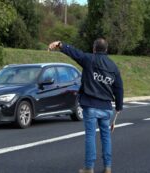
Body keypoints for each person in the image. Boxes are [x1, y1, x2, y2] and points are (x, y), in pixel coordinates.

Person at [48, 38, 124, 173]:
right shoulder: (113, 67)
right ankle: (108, 167)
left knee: (90, 136)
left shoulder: (89, 59)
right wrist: (118, 108)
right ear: (106, 50)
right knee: (106, 137)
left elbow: (75, 53)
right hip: (106, 108)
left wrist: (61, 45)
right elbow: (119, 89)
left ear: (94, 49)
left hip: (90, 105)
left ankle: (89, 168)